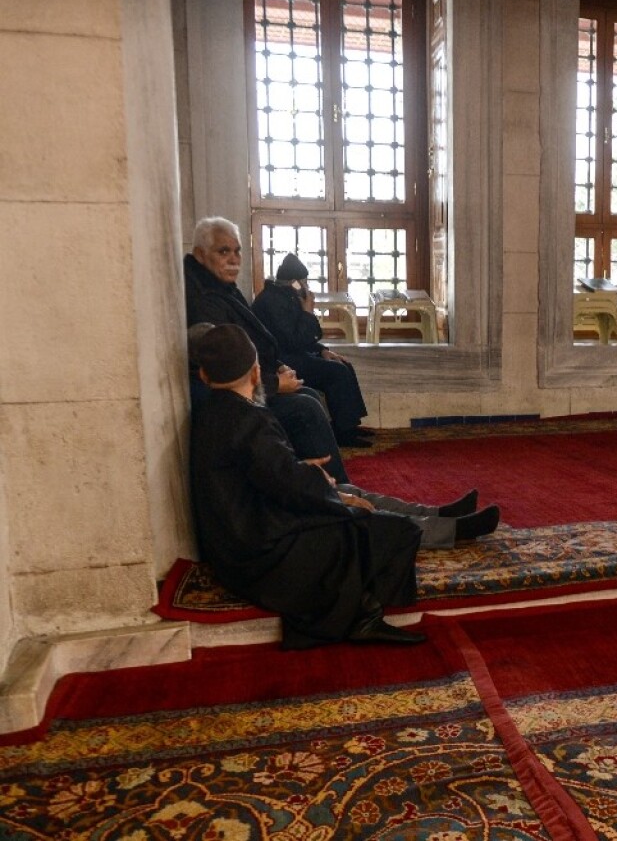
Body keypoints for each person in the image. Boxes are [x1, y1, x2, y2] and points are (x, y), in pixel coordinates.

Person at [189, 325, 500, 649]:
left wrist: (316, 480)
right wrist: (335, 496)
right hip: (260, 552)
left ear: (205, 377)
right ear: (255, 373)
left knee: (353, 494)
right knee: (377, 526)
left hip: (244, 536)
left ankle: (440, 515)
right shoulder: (246, 418)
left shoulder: (215, 411)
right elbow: (289, 486)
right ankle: (363, 618)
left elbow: (271, 476)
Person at [183, 217, 355, 482]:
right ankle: (333, 491)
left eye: (237, 250)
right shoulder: (207, 300)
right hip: (233, 397)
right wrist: (274, 383)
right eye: (223, 251)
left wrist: (292, 360)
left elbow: (260, 341)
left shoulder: (224, 289)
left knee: (311, 392)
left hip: (265, 372)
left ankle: (327, 478)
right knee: (305, 407)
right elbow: (227, 363)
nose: (233, 259)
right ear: (200, 255)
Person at [252, 253, 371, 447]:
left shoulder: (287, 297)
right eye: (303, 282)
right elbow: (294, 340)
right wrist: (307, 311)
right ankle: (343, 433)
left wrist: (322, 350)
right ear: (294, 282)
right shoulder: (272, 301)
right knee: (336, 372)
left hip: (294, 352)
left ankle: (350, 425)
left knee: (342, 364)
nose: (306, 286)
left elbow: (309, 336)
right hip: (282, 360)